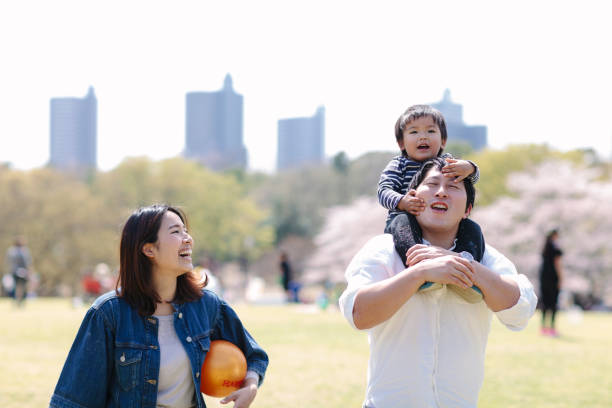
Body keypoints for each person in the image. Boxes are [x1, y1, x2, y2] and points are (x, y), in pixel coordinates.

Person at [340, 157, 537, 407]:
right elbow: (358, 314)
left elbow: (520, 311)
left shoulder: (486, 257)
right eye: (432, 184)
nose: (441, 192)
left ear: (468, 210)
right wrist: (418, 274)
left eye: (453, 187)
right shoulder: (383, 249)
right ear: (412, 198)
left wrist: (460, 264)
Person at [50, 205, 268, 408]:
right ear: (149, 250)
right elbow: (74, 399)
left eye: (186, 231)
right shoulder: (109, 313)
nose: (188, 239)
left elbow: (254, 355)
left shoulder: (206, 306)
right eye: (176, 232)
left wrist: (250, 385)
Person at [378, 104, 485, 302]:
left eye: (430, 131)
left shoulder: (446, 163)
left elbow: (470, 182)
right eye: (414, 132)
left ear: (443, 140)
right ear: (401, 143)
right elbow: (383, 191)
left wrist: (469, 167)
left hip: (442, 223)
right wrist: (402, 202)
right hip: (405, 219)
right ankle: (420, 268)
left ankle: (467, 272)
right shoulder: (398, 164)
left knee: (471, 227)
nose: (423, 137)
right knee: (402, 223)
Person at [539, 229, 563, 336]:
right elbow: (557, 264)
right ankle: (552, 328)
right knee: (553, 304)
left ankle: (543, 328)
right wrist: (561, 278)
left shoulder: (545, 247)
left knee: (545, 303)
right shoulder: (555, 248)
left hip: (544, 278)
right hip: (552, 278)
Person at [5, 236, 33, 306]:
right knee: (19, 286)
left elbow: (28, 262)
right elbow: (27, 262)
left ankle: (19, 300)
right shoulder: (16, 251)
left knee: (20, 286)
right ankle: (18, 300)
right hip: (18, 271)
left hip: (19, 271)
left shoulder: (15, 250)